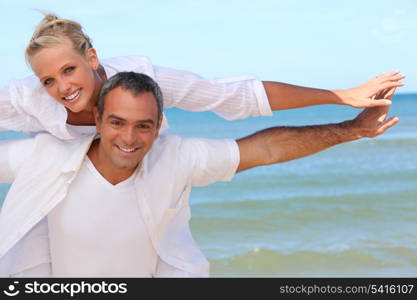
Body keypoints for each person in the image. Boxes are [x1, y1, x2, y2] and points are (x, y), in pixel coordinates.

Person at [0, 72, 398, 277]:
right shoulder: (45, 157)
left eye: (143, 125)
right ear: (99, 120)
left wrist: (352, 130)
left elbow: (264, 148)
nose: (129, 138)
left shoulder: (176, 158)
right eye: (117, 122)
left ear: (159, 126)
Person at [0, 13, 405, 139]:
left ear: (91, 57)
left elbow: (235, 96)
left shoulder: (143, 79)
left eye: (68, 69)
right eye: (48, 80)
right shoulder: (28, 99)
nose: (62, 87)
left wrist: (341, 95)